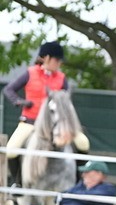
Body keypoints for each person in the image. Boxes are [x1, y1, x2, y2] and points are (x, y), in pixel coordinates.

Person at [4, 42, 91, 185]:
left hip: (56, 125)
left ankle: (77, 179)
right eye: (57, 60)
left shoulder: (61, 78)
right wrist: (19, 101)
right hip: (31, 122)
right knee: (11, 149)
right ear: (47, 58)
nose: (59, 63)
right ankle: (17, 181)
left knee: (83, 143)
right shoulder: (30, 73)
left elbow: (67, 101)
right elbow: (8, 90)